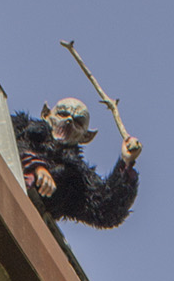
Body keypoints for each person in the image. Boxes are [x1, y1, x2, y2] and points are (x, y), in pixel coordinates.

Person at [12, 97, 141, 228]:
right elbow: (7, 139)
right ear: (46, 114)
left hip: (22, 223)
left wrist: (126, 163)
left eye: (78, 122)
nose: (68, 121)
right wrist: (37, 166)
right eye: (62, 114)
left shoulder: (74, 178)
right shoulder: (22, 126)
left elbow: (106, 210)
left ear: (86, 137)